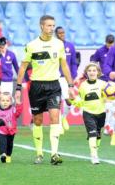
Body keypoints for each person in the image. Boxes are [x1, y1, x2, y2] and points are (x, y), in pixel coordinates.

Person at [15, 15, 75, 165]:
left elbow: (64, 65)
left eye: (53, 26)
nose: (51, 29)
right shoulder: (31, 45)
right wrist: (17, 87)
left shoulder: (59, 44)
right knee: (38, 120)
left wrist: (71, 85)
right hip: (36, 86)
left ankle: (54, 153)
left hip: (54, 85)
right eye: (48, 26)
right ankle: (39, 153)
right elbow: (23, 67)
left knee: (55, 117)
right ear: (41, 26)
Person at [71, 63, 115, 164]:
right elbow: (79, 101)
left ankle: (95, 150)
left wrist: (112, 95)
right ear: (86, 73)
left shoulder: (103, 84)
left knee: (98, 135)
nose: (92, 72)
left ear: (98, 72)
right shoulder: (82, 86)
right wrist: (73, 100)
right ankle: (94, 155)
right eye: (89, 70)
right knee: (92, 134)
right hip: (88, 112)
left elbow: (111, 95)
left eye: (94, 70)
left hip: (101, 113)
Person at [0, 93, 23, 163]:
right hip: (1, 130)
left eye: (7, 101)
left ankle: (8, 156)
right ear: (0, 101)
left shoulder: (13, 109)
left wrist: (18, 103)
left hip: (11, 130)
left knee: (10, 144)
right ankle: (3, 155)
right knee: (2, 142)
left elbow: (18, 113)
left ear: (10, 102)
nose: (5, 102)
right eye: (3, 100)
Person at [54, 26, 77, 133]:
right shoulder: (53, 46)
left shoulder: (70, 46)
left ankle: (63, 117)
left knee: (69, 101)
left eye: (63, 33)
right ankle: (58, 125)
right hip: (55, 78)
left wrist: (73, 75)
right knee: (57, 102)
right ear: (56, 34)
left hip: (67, 78)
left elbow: (73, 62)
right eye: (60, 33)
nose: (62, 35)